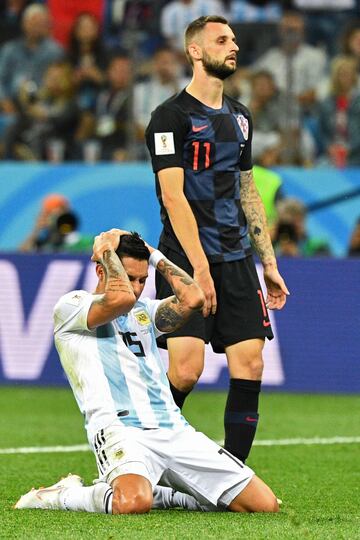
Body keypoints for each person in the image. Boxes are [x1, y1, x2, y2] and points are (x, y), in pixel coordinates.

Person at [15, 229, 279, 514]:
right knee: (131, 504)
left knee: (263, 505)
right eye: (130, 278)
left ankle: (163, 495)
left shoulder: (144, 312)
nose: (138, 288)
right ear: (100, 271)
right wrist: (106, 250)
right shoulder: (72, 307)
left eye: (142, 280)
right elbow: (119, 299)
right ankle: (62, 495)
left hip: (175, 430)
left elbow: (193, 298)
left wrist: (151, 254)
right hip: (120, 431)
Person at [145, 15, 289, 466]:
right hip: (184, 260)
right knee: (186, 370)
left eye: (234, 40)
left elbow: (247, 190)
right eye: (222, 40)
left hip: (236, 257)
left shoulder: (241, 118)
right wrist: (199, 269)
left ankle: (231, 475)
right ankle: (145, 453)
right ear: (195, 51)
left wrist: (268, 263)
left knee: (251, 363)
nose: (234, 47)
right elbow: (173, 195)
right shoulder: (169, 117)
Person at [18, 193, 93, 253]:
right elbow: (20, 258)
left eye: (61, 213)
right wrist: (36, 230)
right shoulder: (41, 244)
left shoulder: (85, 242)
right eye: (50, 214)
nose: (58, 219)